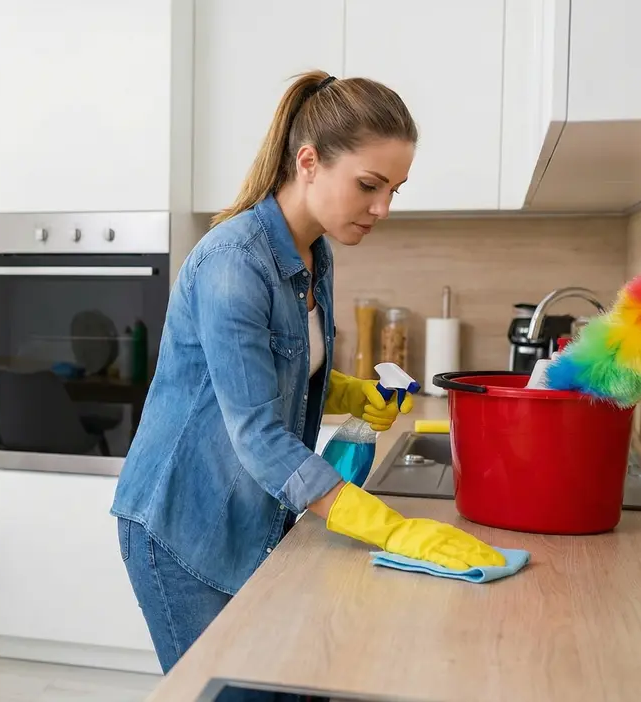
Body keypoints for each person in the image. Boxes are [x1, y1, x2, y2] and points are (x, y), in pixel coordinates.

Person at [109, 69, 506, 683]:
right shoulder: (233, 264)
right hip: (182, 528)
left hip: (254, 513)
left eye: (395, 189)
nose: (383, 209)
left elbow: (289, 375)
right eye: (370, 185)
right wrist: (391, 529)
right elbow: (259, 432)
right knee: (225, 695)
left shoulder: (313, 251)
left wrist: (357, 393)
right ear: (310, 161)